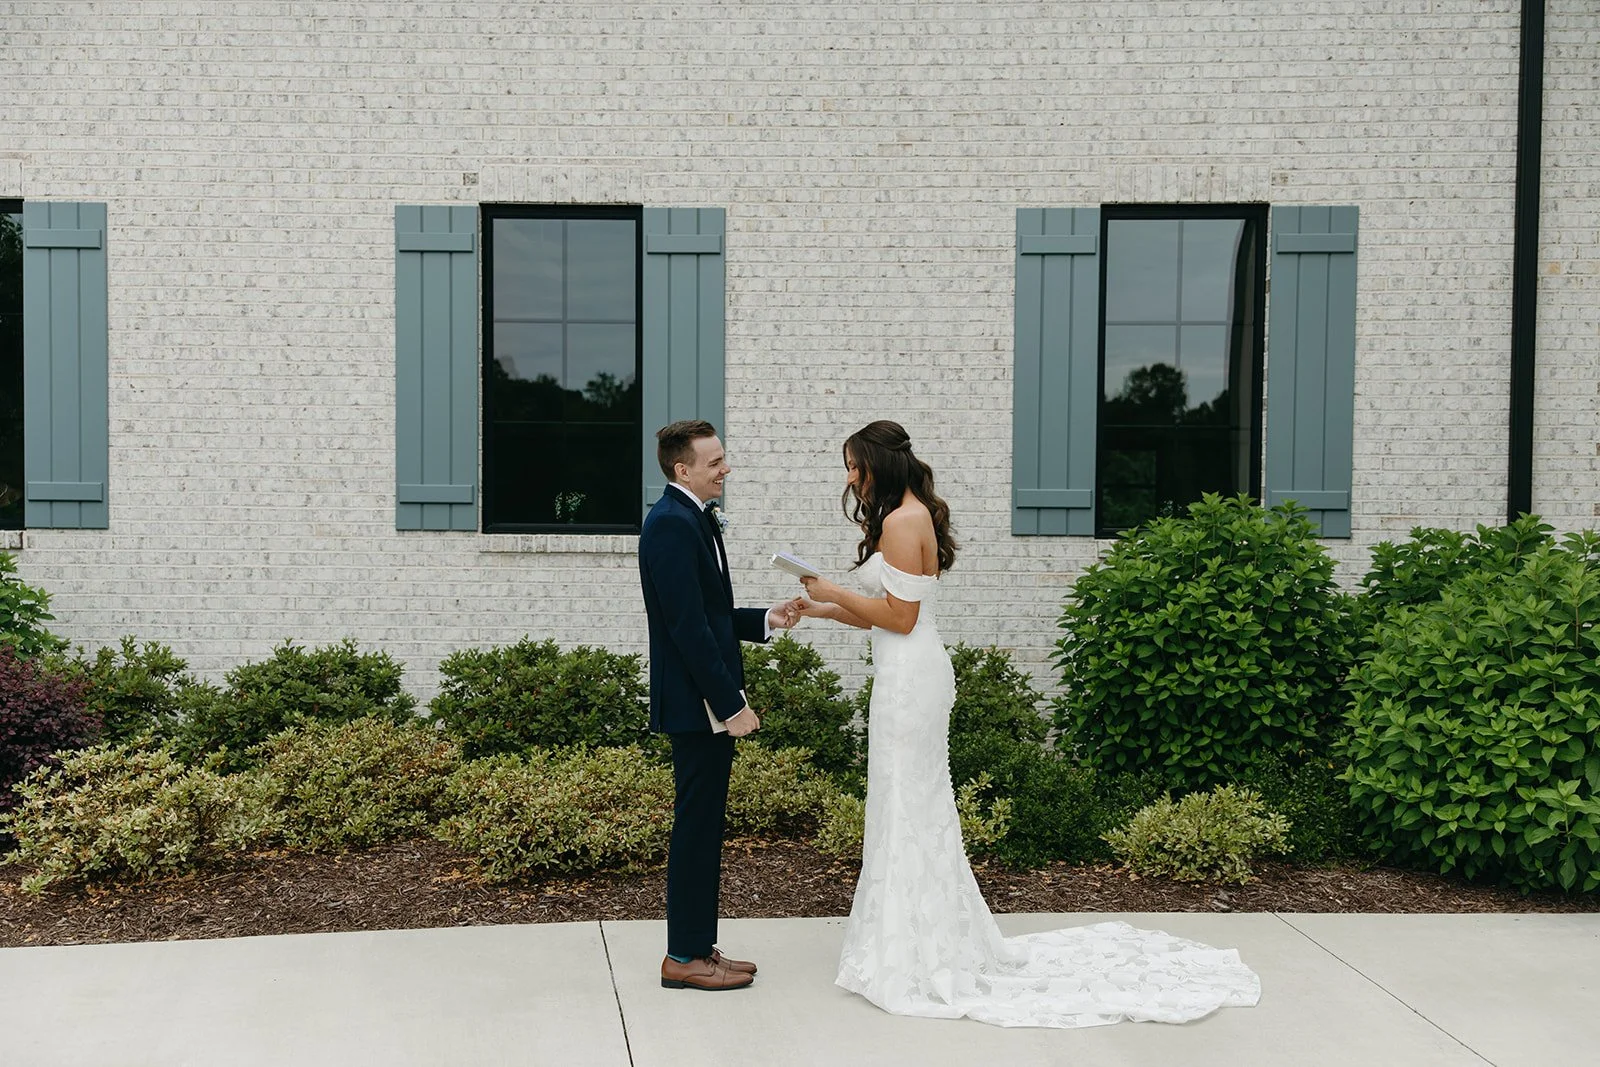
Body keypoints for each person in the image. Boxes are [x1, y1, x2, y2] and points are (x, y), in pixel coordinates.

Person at [794, 420, 1261, 1027]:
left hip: (911, 679)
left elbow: (902, 619)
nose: (850, 478)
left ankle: (918, 953)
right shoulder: (904, 517)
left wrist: (832, 585)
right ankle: (909, 942)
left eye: (855, 466)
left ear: (878, 464)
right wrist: (822, 606)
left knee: (911, 805)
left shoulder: (902, 521)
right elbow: (885, 617)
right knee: (901, 804)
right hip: (903, 672)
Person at [639, 419, 803, 993]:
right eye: (715, 462)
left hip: (704, 701)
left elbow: (709, 614)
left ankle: (698, 946)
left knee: (706, 827)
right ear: (682, 469)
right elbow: (685, 629)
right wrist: (730, 705)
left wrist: (764, 619)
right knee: (696, 826)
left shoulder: (692, 519)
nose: (725, 469)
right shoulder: (669, 526)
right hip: (697, 705)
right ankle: (682, 956)